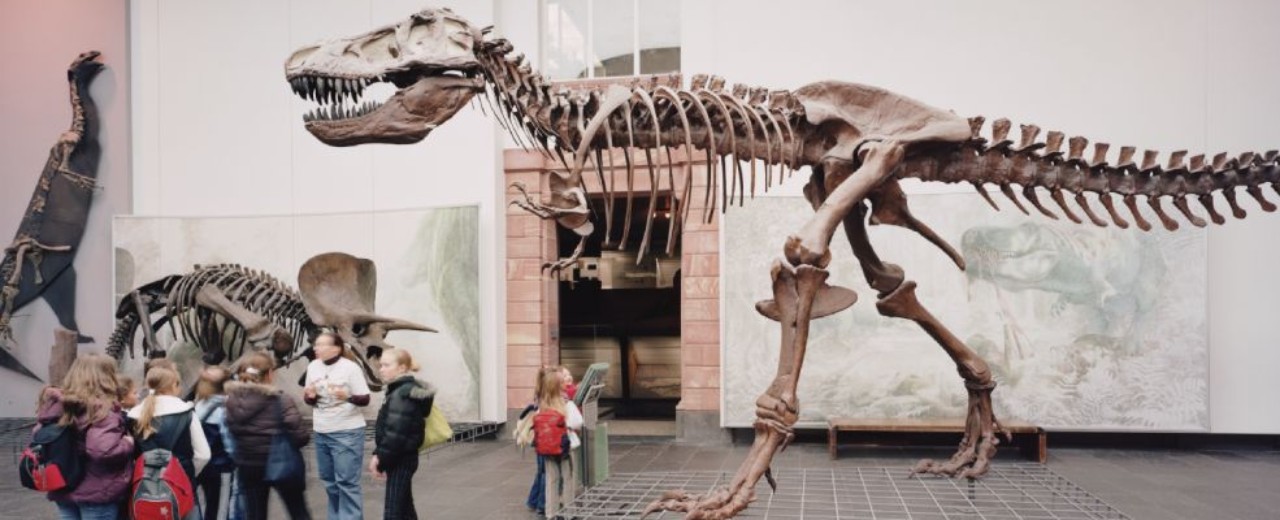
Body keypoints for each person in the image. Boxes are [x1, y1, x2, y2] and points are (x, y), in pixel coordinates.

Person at [34, 353, 136, 520]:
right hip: (97, 493)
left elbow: (39, 435)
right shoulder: (102, 410)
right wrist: (127, 442)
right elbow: (103, 450)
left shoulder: (57, 405)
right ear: (106, 376)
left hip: (64, 486)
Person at [225, 352, 311, 520]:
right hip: (282, 462)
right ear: (270, 374)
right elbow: (301, 436)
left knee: (255, 513)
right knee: (298, 510)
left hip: (247, 464)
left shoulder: (230, 400)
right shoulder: (281, 400)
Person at [303, 331, 371, 520]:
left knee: (347, 482)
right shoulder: (313, 366)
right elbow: (309, 399)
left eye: (321, 345)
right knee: (329, 481)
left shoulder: (350, 368)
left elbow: (365, 399)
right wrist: (310, 396)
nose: (316, 348)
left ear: (336, 348)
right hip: (321, 430)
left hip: (346, 431)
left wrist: (346, 396)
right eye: (316, 344)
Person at [129, 367, 211, 519]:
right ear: (174, 385)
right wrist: (187, 473)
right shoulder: (186, 412)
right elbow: (203, 454)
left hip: (145, 486)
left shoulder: (133, 415)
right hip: (182, 485)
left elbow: (131, 454)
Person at [368, 349, 435, 520]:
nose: (381, 369)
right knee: (404, 508)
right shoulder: (400, 390)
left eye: (386, 365)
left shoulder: (402, 394)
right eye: (381, 365)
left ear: (402, 368)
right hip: (404, 456)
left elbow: (395, 434)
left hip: (400, 458)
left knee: (393, 512)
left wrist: (380, 457)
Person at [538, 367, 584, 518]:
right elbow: (578, 422)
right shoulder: (567, 404)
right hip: (566, 447)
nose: (566, 382)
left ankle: (551, 513)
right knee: (568, 478)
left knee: (552, 479)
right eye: (563, 380)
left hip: (547, 448)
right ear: (558, 385)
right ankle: (569, 513)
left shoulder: (543, 404)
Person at [194, 366, 238, 520]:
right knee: (221, 510)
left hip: (202, 467)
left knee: (207, 507)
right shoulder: (224, 409)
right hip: (221, 467)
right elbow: (230, 444)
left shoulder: (199, 405)